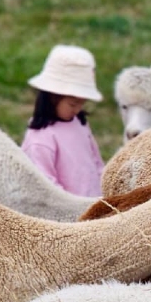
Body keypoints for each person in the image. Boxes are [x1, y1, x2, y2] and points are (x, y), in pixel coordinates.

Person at [21, 45, 105, 197]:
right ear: (52, 97)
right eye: (73, 104)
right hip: (66, 214)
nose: (78, 110)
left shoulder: (79, 123)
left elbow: (96, 162)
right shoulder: (40, 139)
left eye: (82, 103)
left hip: (94, 206)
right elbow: (45, 185)